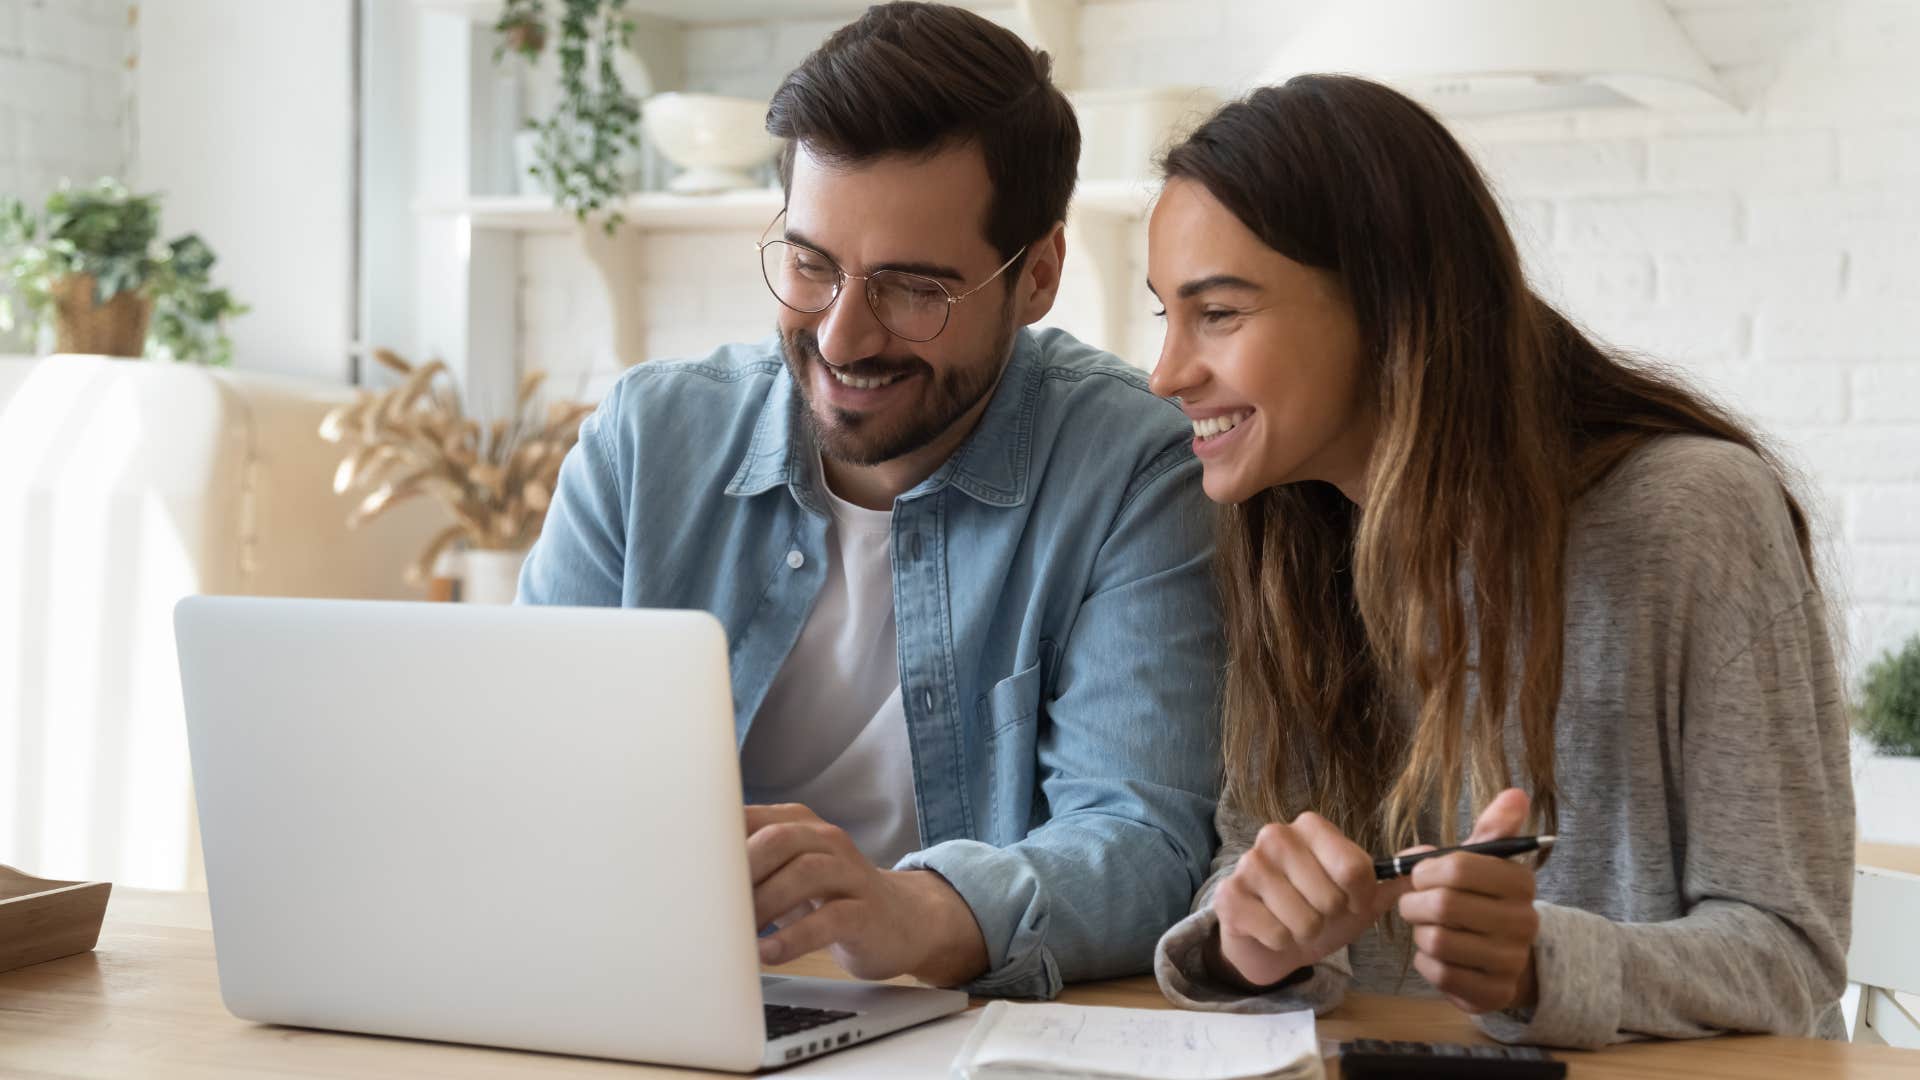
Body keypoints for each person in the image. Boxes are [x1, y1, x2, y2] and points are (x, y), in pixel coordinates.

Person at [519, 2, 1222, 999]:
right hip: (651, 997)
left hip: (954, 1025)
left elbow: (1143, 842)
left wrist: (915, 913)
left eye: (911, 289)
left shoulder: (1132, 473)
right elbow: (521, 773)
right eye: (810, 265)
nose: (843, 338)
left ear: (1039, 276)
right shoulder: (645, 442)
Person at [1144, 75, 1852, 1048]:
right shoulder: (1293, 542)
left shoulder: (1693, 517)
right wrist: (1252, 942)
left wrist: (1540, 966)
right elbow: (1250, 865)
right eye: (1164, 317)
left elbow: (1790, 954)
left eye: (1217, 313)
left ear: (1387, 304)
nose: (1167, 372)